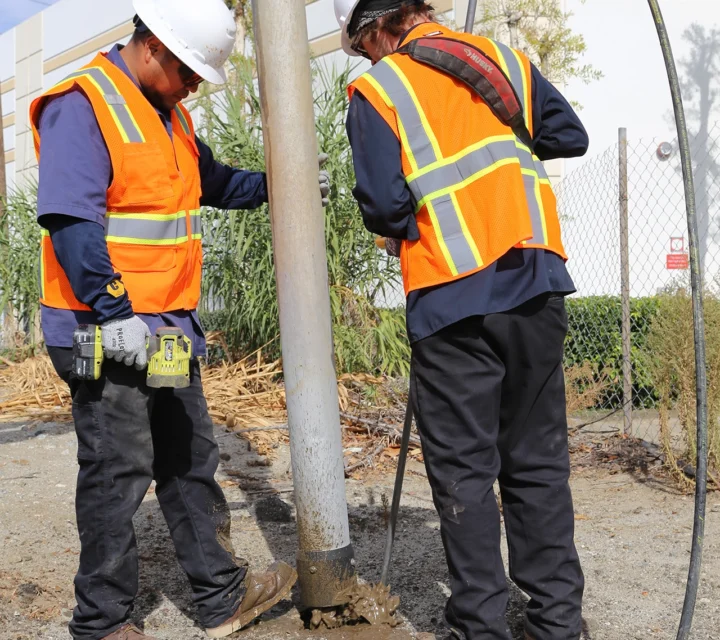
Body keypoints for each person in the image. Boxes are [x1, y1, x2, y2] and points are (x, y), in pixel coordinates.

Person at [30, 0, 330, 638]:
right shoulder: (82, 105)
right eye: (189, 72)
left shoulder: (171, 117)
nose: (195, 85)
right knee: (119, 469)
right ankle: (102, 622)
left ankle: (220, 598)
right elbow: (70, 221)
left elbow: (212, 182)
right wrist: (113, 314)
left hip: (165, 333)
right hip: (105, 332)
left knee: (187, 452)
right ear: (153, 47)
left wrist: (287, 180)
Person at [334, 1, 589, 638]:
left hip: (452, 294)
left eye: (365, 46)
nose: (367, 57)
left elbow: (386, 206)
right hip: (535, 282)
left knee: (465, 472)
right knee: (536, 461)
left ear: (376, 30)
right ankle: (556, 623)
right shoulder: (501, 62)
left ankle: (480, 625)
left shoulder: (378, 86)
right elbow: (569, 136)